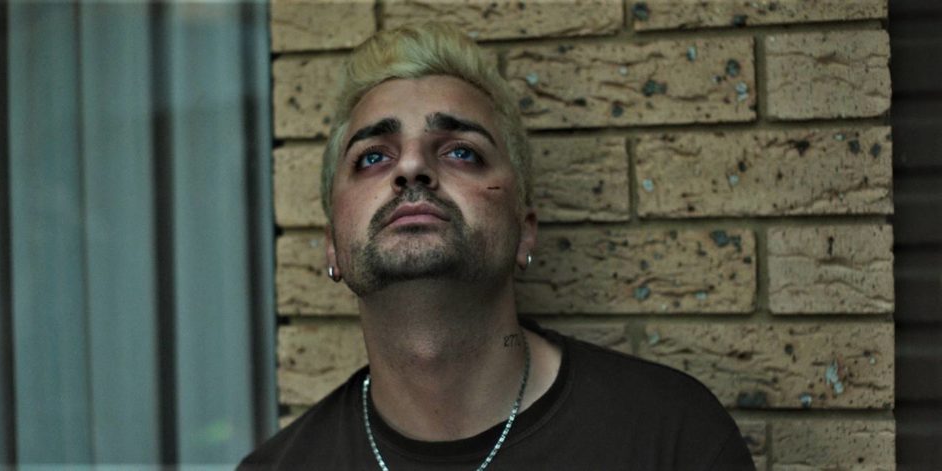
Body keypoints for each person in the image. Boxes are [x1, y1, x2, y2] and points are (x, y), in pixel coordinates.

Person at [240, 22, 755, 470]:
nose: (412, 167)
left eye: (461, 151)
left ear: (524, 230)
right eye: (373, 157)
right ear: (332, 245)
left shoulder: (672, 437)